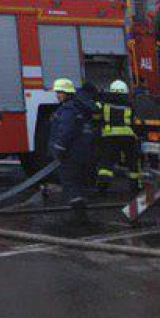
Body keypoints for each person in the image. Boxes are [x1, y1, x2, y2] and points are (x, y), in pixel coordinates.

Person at [48, 77, 96, 220]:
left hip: (71, 153)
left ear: (68, 93)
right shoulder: (79, 107)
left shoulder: (68, 109)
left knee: (70, 182)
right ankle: (81, 213)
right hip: (82, 151)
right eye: (57, 92)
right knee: (78, 181)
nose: (57, 95)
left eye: (60, 92)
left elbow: (66, 131)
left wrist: (59, 149)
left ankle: (79, 216)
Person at [94, 79, 143, 193]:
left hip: (109, 135)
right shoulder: (131, 104)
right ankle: (135, 185)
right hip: (128, 135)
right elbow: (135, 120)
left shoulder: (104, 103)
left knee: (107, 159)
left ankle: (102, 184)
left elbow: (96, 114)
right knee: (132, 160)